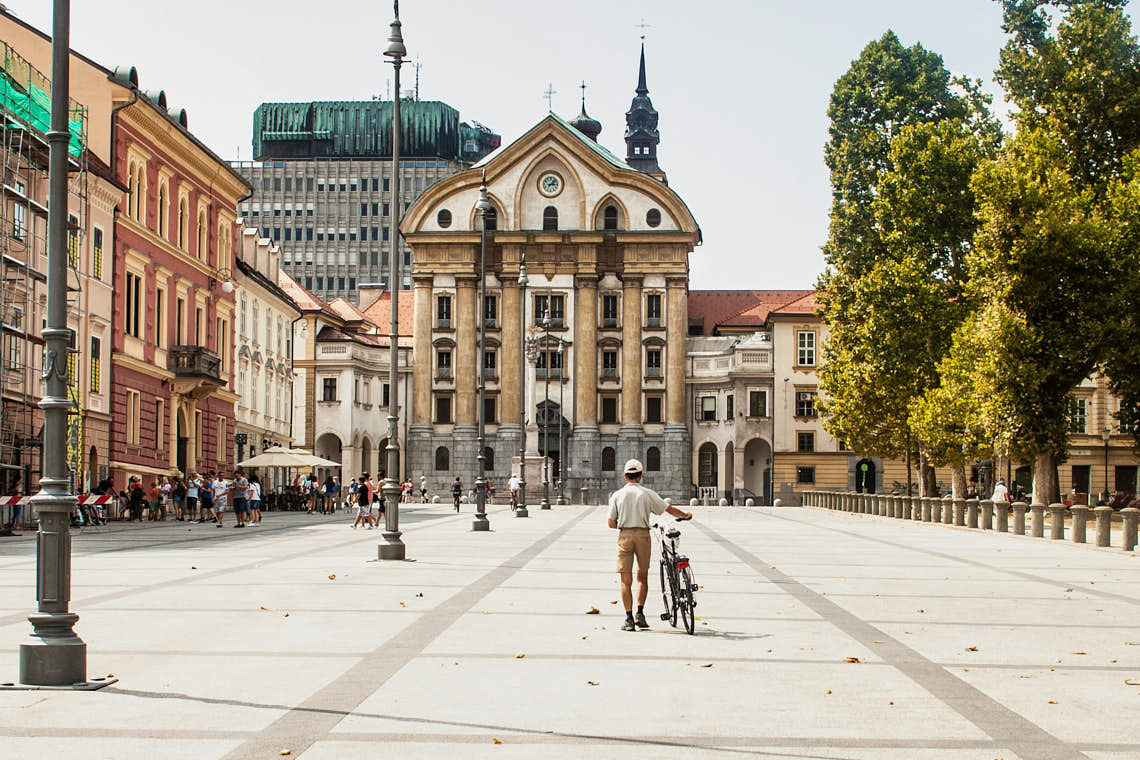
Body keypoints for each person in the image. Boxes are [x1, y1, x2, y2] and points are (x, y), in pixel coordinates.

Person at [607, 459, 693, 632]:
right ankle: (640, 614)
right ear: (640, 476)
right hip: (643, 536)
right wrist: (685, 514)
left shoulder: (616, 495)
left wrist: (625, 524)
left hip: (625, 536)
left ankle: (629, 618)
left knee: (625, 580)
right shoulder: (647, 493)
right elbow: (668, 509)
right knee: (642, 577)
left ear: (625, 476)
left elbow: (610, 523)